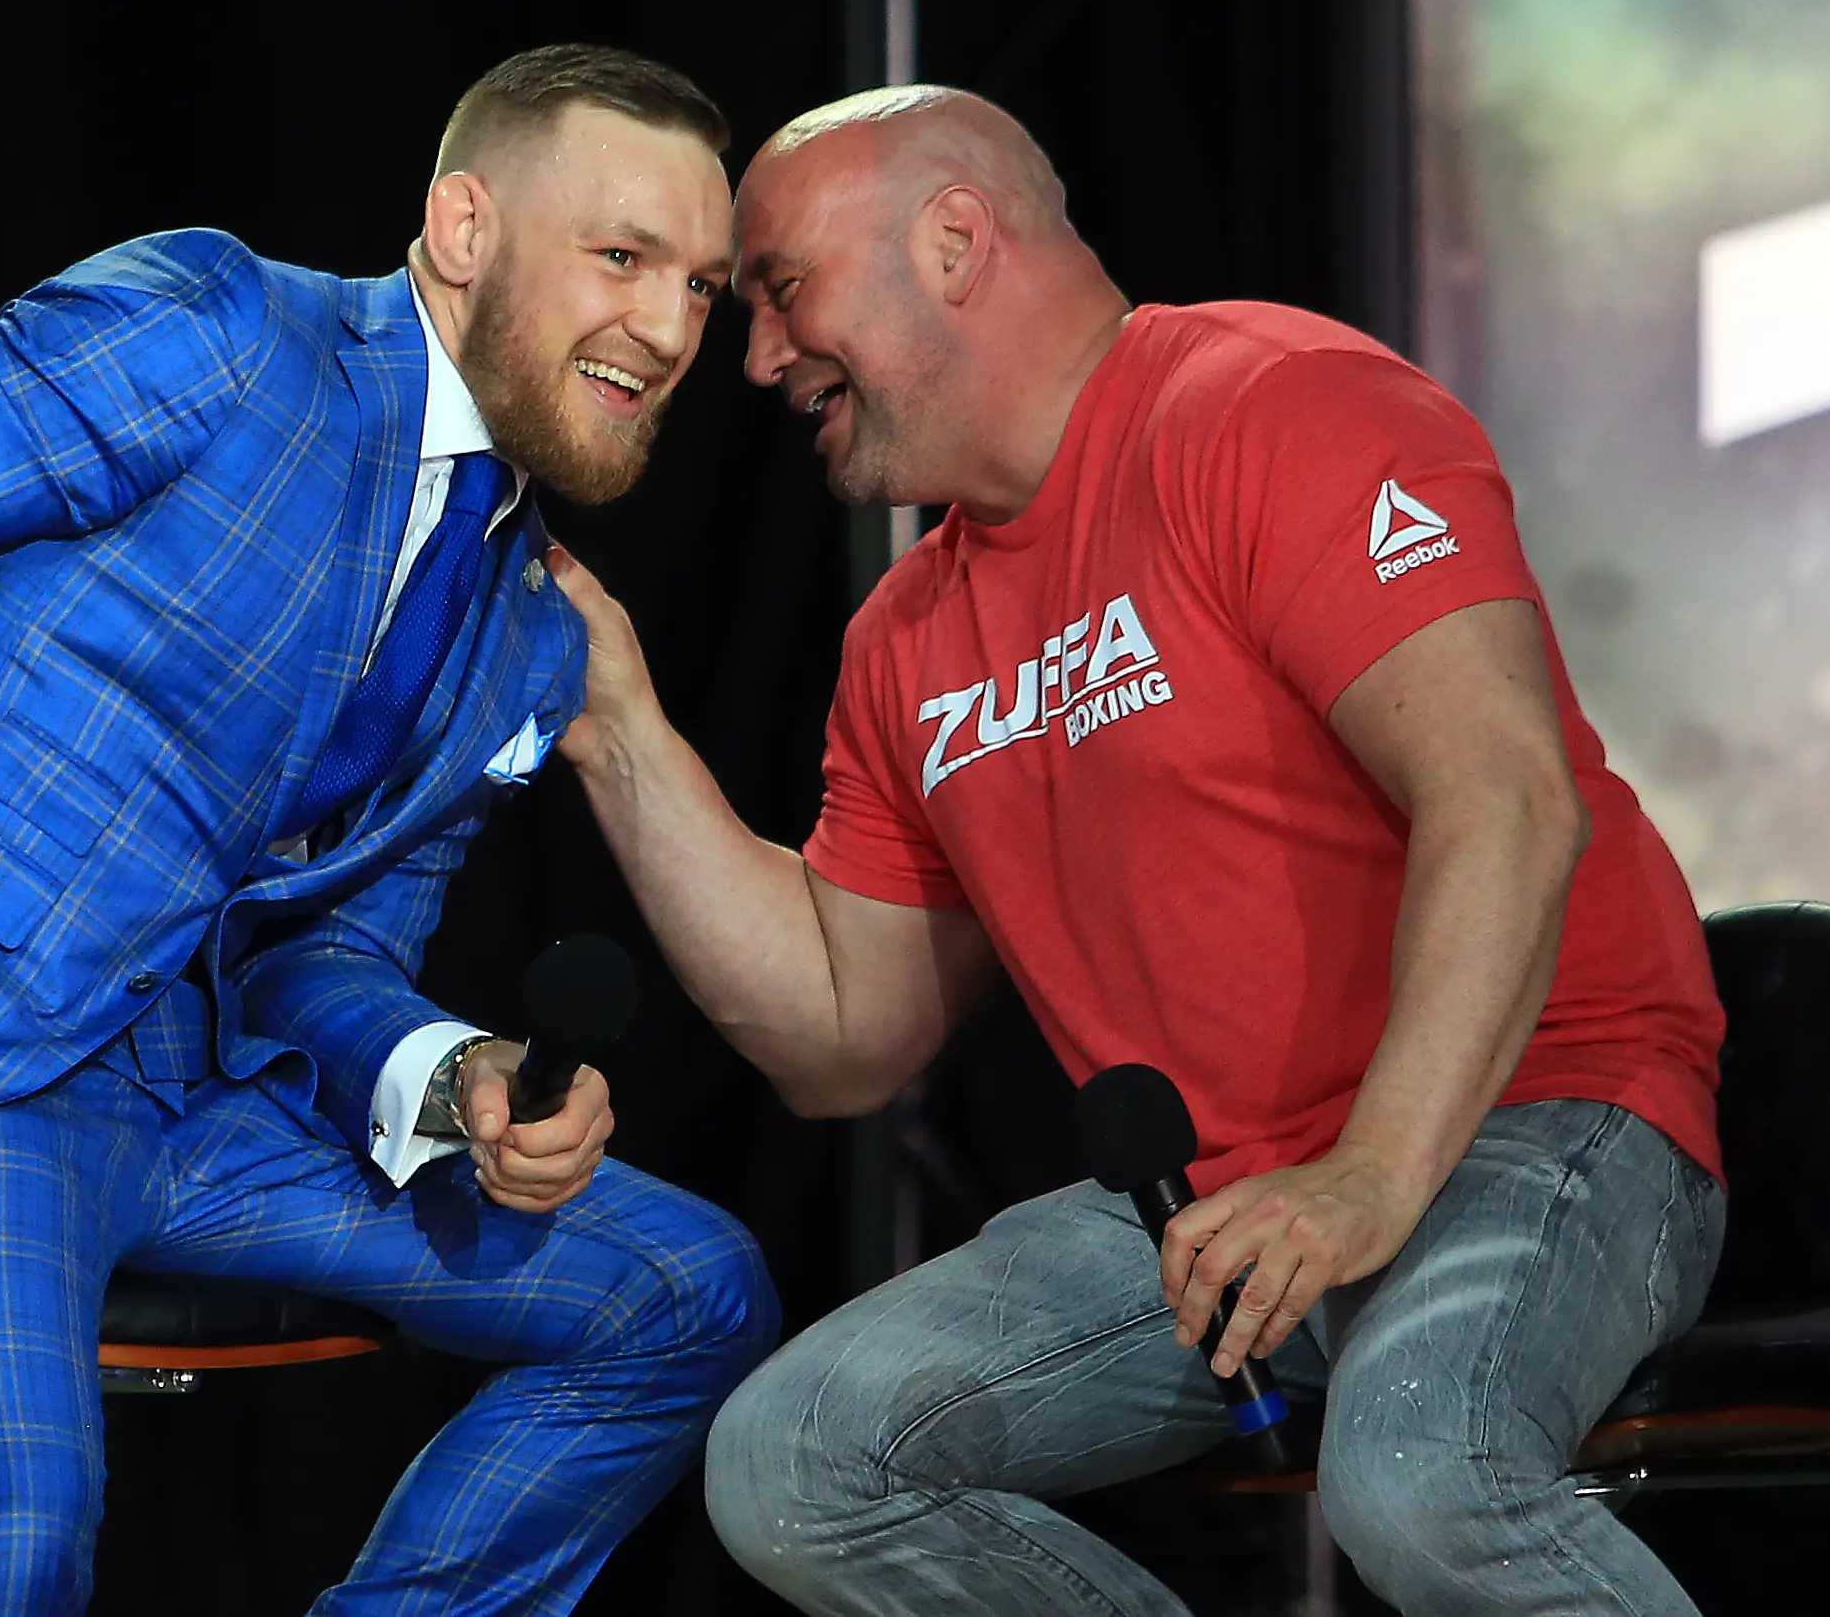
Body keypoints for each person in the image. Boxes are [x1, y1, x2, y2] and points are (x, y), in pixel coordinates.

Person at [550, 85, 1726, 1616]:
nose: (759, 354)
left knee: (1419, 1468)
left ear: (956, 238)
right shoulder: (907, 635)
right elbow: (843, 1032)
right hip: (1223, 1210)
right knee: (803, 1458)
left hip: (1536, 1117)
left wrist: (1368, 1175)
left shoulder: (1271, 406)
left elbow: (1505, 801)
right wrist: (618, 730)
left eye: (779, 287)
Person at [0, 43, 776, 1617]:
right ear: (462, 229)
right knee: (21, 1538)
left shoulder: (528, 635)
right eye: (624, 257)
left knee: (688, 1290)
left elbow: (327, 953)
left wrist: (453, 1077)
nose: (665, 329)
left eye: (705, 289)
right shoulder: (223, 330)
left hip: (190, 1113)